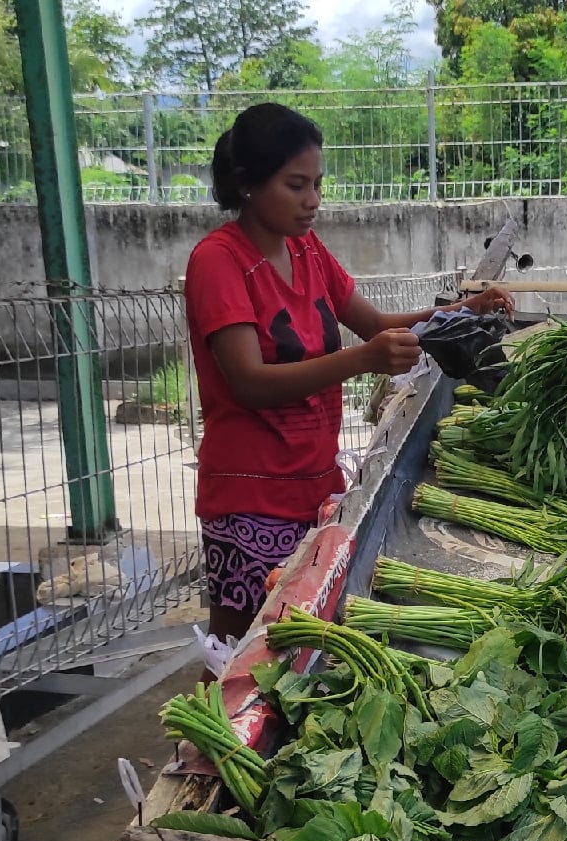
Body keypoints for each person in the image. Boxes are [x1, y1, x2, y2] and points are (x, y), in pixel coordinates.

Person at [184, 103, 514, 672]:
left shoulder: (307, 251)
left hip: (314, 482)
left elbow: (377, 325)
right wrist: (360, 361)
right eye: (295, 185)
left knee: (297, 653)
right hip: (250, 500)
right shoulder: (218, 263)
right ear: (248, 184)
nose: (312, 200)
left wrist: (463, 309)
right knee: (240, 661)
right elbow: (249, 382)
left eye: (317, 184)